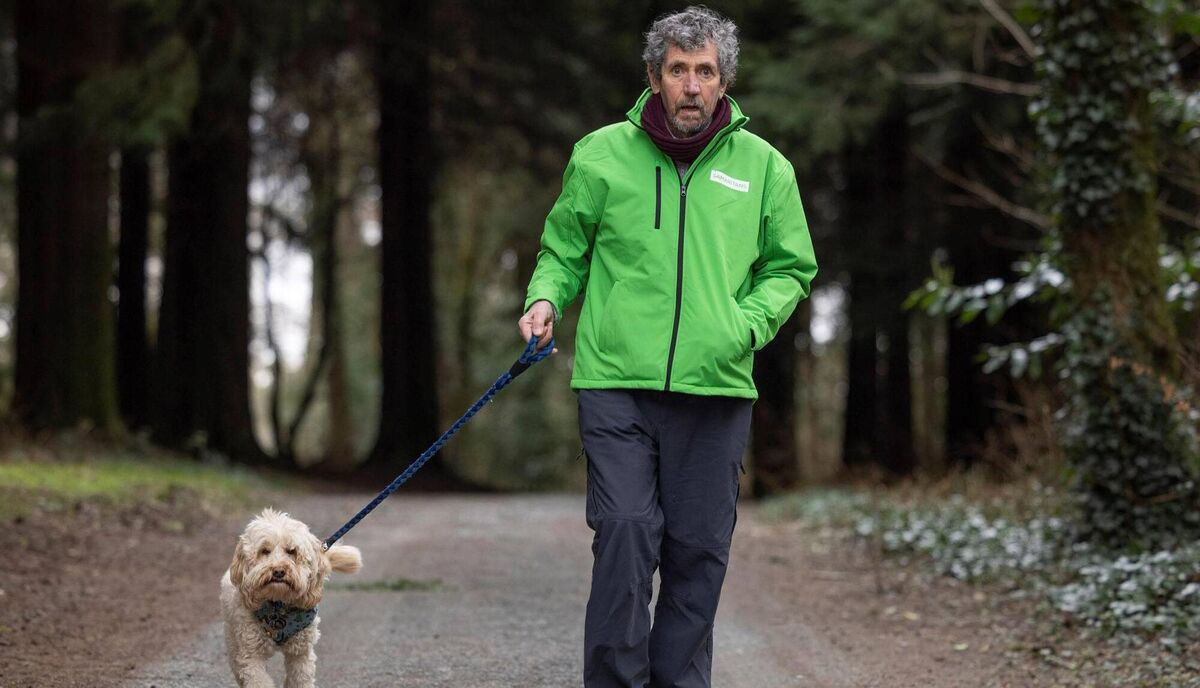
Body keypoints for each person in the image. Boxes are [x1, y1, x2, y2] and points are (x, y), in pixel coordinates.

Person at [517, 6, 817, 687]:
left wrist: (744, 326)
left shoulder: (766, 169)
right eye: (677, 70)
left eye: (704, 71)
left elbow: (791, 268)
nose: (690, 85)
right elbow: (564, 250)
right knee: (625, 533)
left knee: (697, 554)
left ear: (723, 81)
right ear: (653, 77)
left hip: (715, 390)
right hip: (616, 382)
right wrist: (544, 299)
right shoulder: (600, 155)